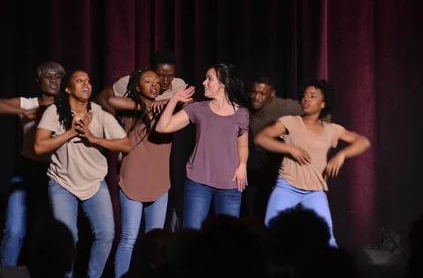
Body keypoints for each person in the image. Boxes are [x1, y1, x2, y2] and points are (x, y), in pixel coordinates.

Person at [34, 70, 132, 278]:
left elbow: (125, 144)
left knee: (107, 234)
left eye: (88, 80)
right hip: (62, 182)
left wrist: (93, 138)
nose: (86, 84)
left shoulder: (99, 114)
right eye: (79, 81)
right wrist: (70, 132)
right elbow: (39, 146)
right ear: (68, 89)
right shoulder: (54, 111)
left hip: (93, 182)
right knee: (68, 239)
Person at [254, 79, 370, 246]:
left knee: (328, 240)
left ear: (322, 104)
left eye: (312, 96)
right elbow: (260, 138)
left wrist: (342, 154)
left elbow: (363, 141)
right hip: (287, 187)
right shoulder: (290, 121)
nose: (306, 99)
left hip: (315, 192)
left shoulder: (332, 129)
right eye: (304, 96)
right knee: (271, 234)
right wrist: (290, 149)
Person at [107, 69, 189, 278]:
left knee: (156, 238)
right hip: (133, 177)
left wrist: (168, 104)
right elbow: (111, 100)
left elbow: (188, 106)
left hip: (160, 180)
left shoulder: (167, 108)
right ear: (137, 87)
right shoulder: (130, 106)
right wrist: (148, 106)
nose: (154, 84)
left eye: (156, 81)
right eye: (148, 81)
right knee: (129, 237)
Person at [0, 61, 64, 267]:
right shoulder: (28, 104)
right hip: (28, 168)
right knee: (14, 230)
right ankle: (6, 277)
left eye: (57, 76)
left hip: (57, 172)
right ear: (38, 81)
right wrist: (25, 112)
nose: (53, 80)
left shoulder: (68, 105)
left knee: (53, 231)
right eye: (48, 76)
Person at [156, 63, 250, 230]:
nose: (204, 83)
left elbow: (242, 146)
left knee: (228, 238)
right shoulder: (197, 109)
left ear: (223, 84)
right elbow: (162, 128)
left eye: (209, 79)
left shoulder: (242, 113)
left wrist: (242, 165)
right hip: (198, 183)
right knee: (192, 236)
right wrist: (174, 100)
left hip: (230, 183)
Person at [244, 77, 304, 219]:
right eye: (254, 92)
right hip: (264, 167)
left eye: (263, 93)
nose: (256, 97)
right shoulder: (246, 108)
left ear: (272, 94)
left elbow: (317, 110)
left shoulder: (283, 107)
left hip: (286, 171)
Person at [96, 49, 186, 114]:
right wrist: (116, 119)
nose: (165, 81)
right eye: (160, 76)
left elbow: (189, 103)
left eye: (170, 76)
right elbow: (101, 98)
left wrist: (168, 102)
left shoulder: (179, 86)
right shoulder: (132, 82)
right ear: (151, 70)